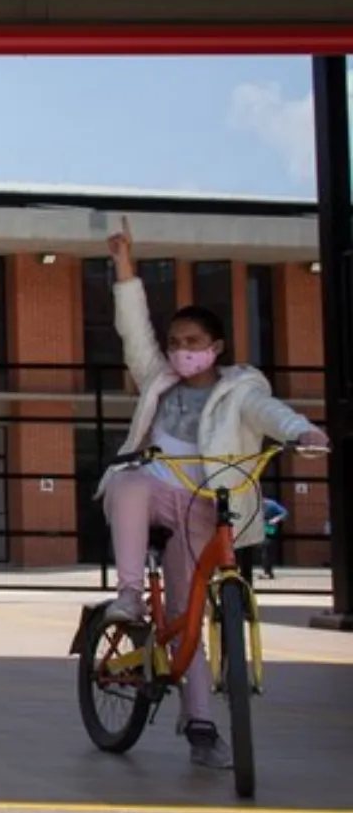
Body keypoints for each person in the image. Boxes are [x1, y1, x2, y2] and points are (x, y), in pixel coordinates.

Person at [98, 216, 324, 771]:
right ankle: (128, 596)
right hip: (154, 492)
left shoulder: (240, 390)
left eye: (193, 343)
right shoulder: (157, 377)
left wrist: (302, 432)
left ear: (216, 347)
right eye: (176, 343)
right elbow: (135, 330)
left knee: (186, 615)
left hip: (205, 509)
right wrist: (125, 265)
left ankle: (201, 726)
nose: (182, 352)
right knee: (126, 482)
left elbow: (269, 414)